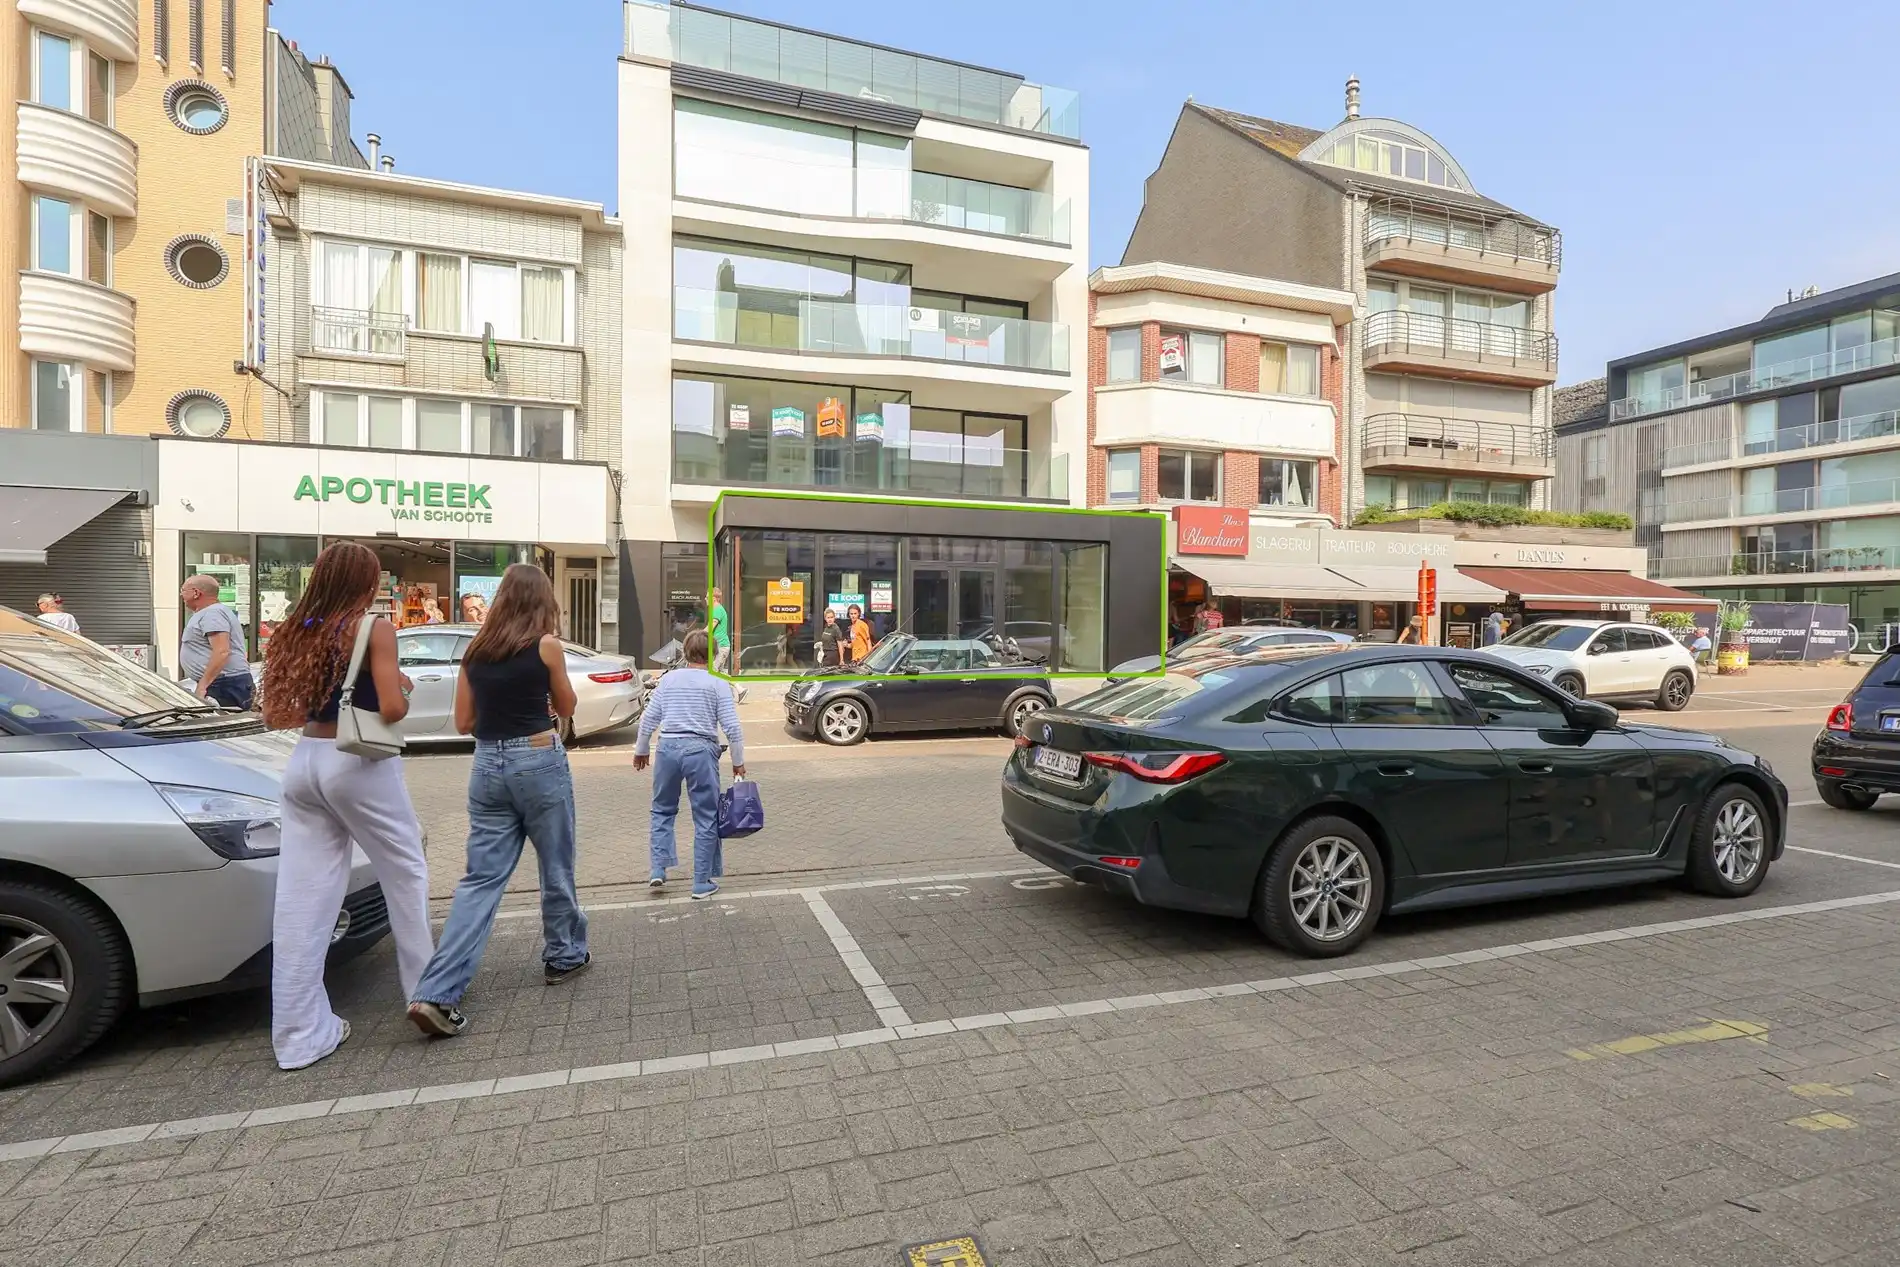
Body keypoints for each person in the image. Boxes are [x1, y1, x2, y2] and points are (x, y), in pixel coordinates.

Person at [258, 541, 434, 1071]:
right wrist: (397, 684)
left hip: (303, 763)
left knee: (302, 898)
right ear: (366, 582)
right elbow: (393, 709)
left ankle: (298, 1036)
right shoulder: (373, 628)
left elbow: (283, 711)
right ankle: (428, 993)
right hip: (356, 762)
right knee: (405, 870)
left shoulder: (298, 627)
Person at [407, 564, 589, 1038]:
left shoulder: (475, 650)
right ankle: (564, 955)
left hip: (487, 765)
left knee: (479, 881)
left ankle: (436, 993)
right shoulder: (546, 646)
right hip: (538, 758)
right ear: (542, 600)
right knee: (555, 865)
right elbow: (567, 707)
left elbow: (464, 722)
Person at [633, 630, 745, 898]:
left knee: (662, 810)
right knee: (706, 816)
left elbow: (649, 718)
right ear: (714, 654)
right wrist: (738, 762)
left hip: (668, 749)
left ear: (685, 652)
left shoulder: (669, 680)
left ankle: (658, 869)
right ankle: (701, 881)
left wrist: (641, 749)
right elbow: (732, 727)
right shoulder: (717, 683)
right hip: (700, 751)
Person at [180, 574, 257, 710]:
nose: (181, 595)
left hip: (224, 685)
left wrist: (203, 686)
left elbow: (222, 651)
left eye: (183, 590)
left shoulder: (212, 613)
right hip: (223, 683)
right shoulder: (210, 612)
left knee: (226, 722)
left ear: (196, 593)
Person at [705, 586, 746, 703]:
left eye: (707, 597)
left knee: (713, 671)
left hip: (721, 646)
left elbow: (710, 627)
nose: (705, 599)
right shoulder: (716, 610)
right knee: (719, 672)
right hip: (720, 646)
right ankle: (736, 692)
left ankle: (738, 689)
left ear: (714, 598)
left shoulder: (717, 610)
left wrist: (697, 635)